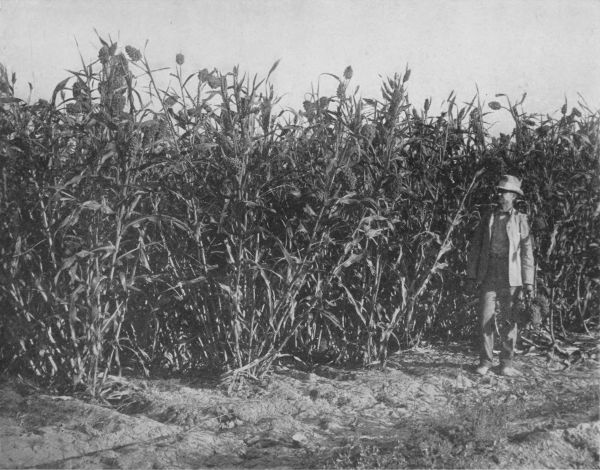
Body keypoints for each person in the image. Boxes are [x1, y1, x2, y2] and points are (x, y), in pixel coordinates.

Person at [466, 175, 535, 376]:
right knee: (484, 318)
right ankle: (485, 361)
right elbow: (476, 248)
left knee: (509, 319)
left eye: (505, 193)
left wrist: (528, 281)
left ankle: (506, 363)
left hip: (511, 275)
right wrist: (472, 275)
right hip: (489, 273)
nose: (501, 196)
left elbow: (527, 252)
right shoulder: (488, 217)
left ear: (514, 196)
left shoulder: (521, 220)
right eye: (500, 192)